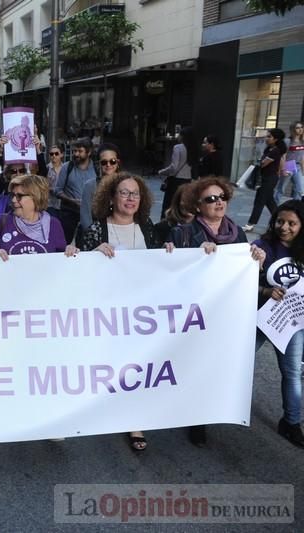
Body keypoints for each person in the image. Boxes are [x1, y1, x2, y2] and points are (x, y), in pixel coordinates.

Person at [169, 176, 267, 446]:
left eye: (221, 197)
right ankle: (196, 418)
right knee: (196, 365)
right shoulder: (183, 233)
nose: (218, 202)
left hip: (226, 315)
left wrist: (256, 262)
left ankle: (217, 408)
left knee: (219, 366)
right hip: (195, 315)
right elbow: (169, 275)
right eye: (210, 199)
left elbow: (247, 278)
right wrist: (195, 257)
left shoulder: (238, 234)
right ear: (197, 206)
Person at [74, 173, 158, 452]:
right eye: (124, 193)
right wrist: (91, 253)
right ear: (111, 198)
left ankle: (134, 421)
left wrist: (171, 253)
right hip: (107, 313)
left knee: (135, 366)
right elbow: (77, 266)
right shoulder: (97, 230)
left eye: (135, 193)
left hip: (140, 314)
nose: (131, 198)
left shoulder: (148, 228)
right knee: (108, 364)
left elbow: (165, 267)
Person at [253, 200, 304, 447]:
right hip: (259, 318)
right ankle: (210, 412)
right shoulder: (261, 246)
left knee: (292, 373)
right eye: (280, 221)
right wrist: (264, 289)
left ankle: (292, 423)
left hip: (291, 322)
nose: (284, 227)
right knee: (236, 362)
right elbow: (241, 278)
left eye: (292, 223)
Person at [0, 175, 66, 259]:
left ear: (36, 198)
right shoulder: (2, 221)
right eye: (13, 195)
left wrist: (70, 251)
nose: (13, 200)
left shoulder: (54, 224)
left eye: (19, 196)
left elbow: (62, 260)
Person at [244, 128, 287, 233]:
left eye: (269, 136)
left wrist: (260, 162)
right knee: (270, 202)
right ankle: (281, 220)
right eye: (267, 136)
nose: (266, 138)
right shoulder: (269, 149)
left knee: (259, 201)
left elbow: (263, 164)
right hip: (266, 178)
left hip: (269, 179)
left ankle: (251, 224)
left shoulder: (275, 151)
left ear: (275, 139)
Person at [55, 137, 97, 243]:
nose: (76, 154)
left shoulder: (97, 169)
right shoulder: (67, 167)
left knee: (85, 243)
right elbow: (57, 191)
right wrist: (72, 201)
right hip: (69, 213)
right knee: (64, 243)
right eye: (74, 151)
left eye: (80, 151)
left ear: (89, 152)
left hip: (90, 214)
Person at [79, 143, 121, 236]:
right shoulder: (90, 186)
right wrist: (94, 236)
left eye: (112, 161)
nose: (108, 165)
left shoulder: (127, 184)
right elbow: (85, 218)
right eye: (104, 162)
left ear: (118, 162)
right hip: (97, 236)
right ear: (99, 164)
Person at [159, 127, 197, 215]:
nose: (178, 136)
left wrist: (162, 171)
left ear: (183, 136)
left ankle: (166, 224)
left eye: (180, 134)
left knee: (169, 204)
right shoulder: (193, 149)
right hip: (187, 180)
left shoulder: (178, 147)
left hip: (176, 180)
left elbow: (174, 167)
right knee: (181, 205)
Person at [275, 122, 304, 204]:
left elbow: (302, 156)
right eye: (297, 128)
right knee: (281, 188)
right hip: (289, 164)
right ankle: (274, 206)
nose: (300, 129)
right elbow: (283, 156)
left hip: (298, 166)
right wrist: (283, 169)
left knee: (300, 189)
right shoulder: (287, 141)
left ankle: (295, 207)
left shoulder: (303, 141)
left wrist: (303, 170)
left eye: (301, 127)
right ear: (293, 129)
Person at [46, 145, 64, 210]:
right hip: (49, 205)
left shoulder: (65, 168)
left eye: (56, 153)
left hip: (63, 205)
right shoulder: (46, 168)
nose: (54, 156)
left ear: (61, 155)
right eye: (51, 154)